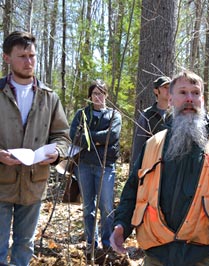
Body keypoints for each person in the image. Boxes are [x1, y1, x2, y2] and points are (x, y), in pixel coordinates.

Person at [110, 70, 209, 265]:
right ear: (170, 99)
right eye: (183, 92)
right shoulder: (152, 146)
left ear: (202, 100)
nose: (189, 99)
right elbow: (131, 194)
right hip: (156, 255)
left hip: (205, 256)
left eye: (195, 93)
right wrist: (121, 226)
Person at [0, 31, 70, 266]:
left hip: (33, 184)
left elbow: (63, 136)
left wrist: (56, 153)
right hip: (0, 184)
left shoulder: (49, 97)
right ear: (7, 58)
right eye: (22, 56)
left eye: (32, 56)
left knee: (25, 245)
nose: (29, 62)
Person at [69, 79, 122, 259]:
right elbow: (73, 136)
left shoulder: (114, 115)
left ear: (106, 95)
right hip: (84, 165)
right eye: (94, 94)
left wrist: (89, 138)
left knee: (107, 206)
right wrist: (98, 139)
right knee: (87, 207)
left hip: (106, 166)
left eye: (101, 93)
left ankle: (107, 244)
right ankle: (91, 243)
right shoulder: (82, 114)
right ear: (90, 96)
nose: (98, 97)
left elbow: (112, 136)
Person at [131, 76, 171, 163]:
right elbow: (139, 145)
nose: (169, 90)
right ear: (156, 91)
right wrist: (136, 170)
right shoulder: (146, 115)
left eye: (171, 87)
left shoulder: (178, 114)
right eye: (165, 87)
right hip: (152, 164)